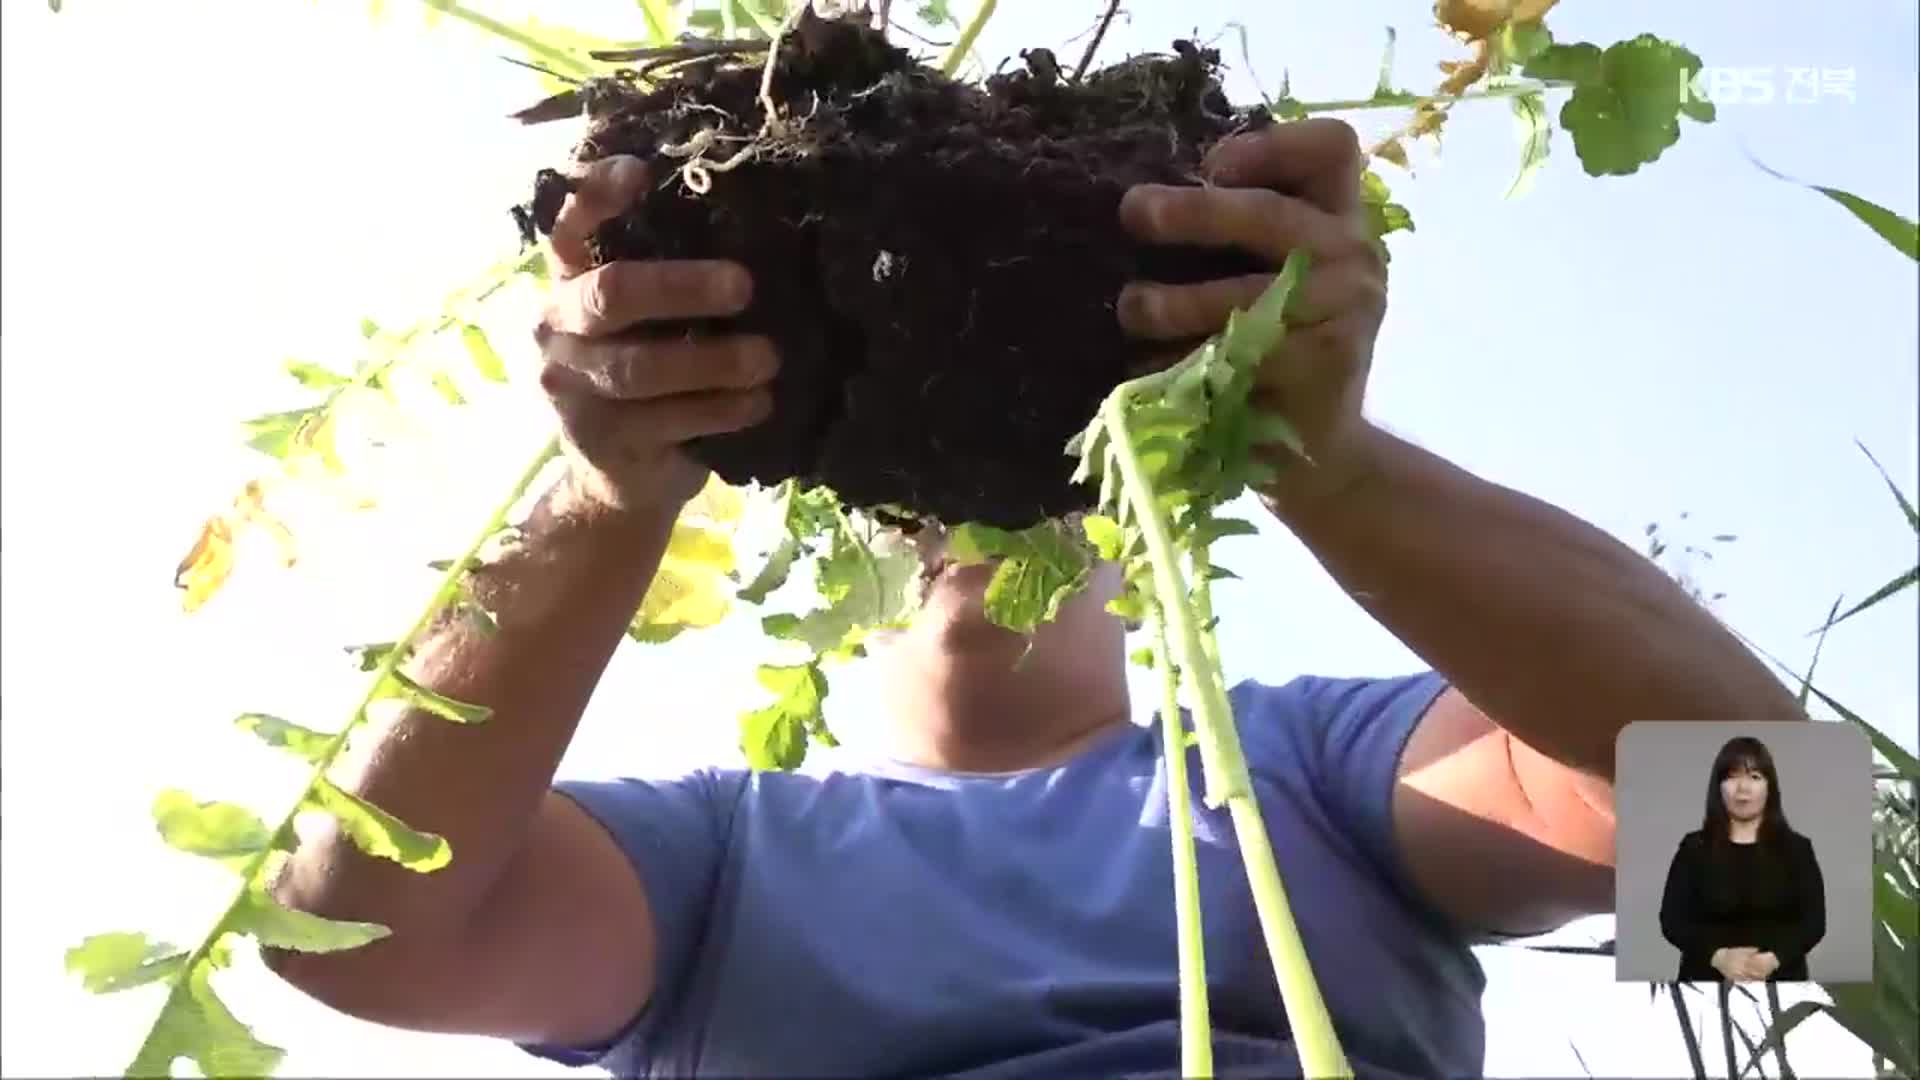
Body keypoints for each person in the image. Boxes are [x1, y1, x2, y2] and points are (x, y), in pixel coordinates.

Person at [261, 118, 1806, 1078]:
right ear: (855, 548)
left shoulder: (1296, 780)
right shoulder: (725, 862)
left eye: (1057, 506)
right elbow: (358, 938)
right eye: (917, 512)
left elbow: (1761, 828)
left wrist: (1325, 465)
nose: (968, 533)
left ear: (1143, 559)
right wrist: (603, 497)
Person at [1657, 735, 1826, 983]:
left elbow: (1814, 922)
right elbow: (1672, 920)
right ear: (1719, 787)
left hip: (1781, 985)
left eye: (1754, 777)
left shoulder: (1796, 849)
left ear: (1770, 787)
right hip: (1705, 984)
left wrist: (1773, 959)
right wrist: (1719, 958)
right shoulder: (1694, 848)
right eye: (1732, 777)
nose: (1743, 788)